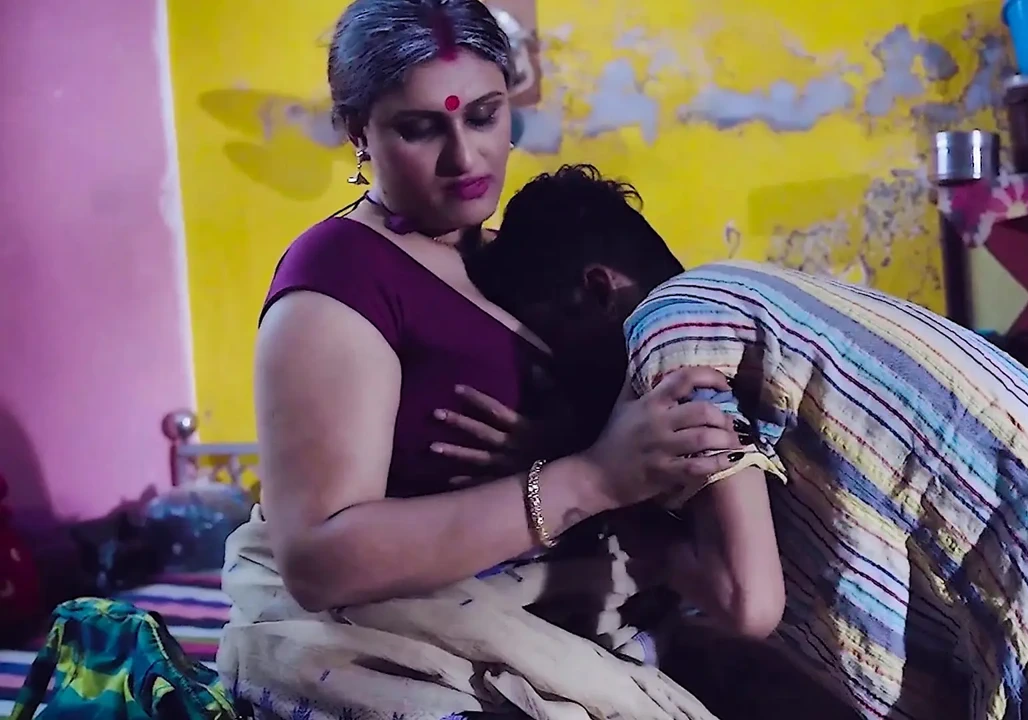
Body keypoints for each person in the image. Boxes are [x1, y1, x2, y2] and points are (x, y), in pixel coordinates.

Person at [463, 163, 1028, 719]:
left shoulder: (671, 327)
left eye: (550, 333)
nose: (558, 364)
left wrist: (613, 513)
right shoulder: (751, 295)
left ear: (599, 288)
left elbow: (748, 601)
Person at [219, 3, 743, 719]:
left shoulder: (530, 263)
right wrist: (586, 479)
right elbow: (317, 561)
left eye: (485, 115)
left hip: (600, 628)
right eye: (420, 128)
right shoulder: (341, 274)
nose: (465, 159)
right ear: (357, 131)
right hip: (425, 649)